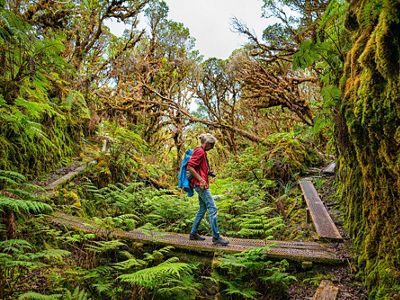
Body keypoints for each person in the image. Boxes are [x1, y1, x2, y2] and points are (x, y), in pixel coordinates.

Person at [187, 133, 229, 246]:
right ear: (207, 144)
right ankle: (216, 237)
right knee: (213, 208)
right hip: (201, 185)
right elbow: (190, 166)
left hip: (200, 184)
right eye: (212, 145)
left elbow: (198, 167)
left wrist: (208, 173)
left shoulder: (202, 152)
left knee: (202, 209)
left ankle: (193, 233)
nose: (213, 147)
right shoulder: (200, 151)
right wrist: (201, 180)